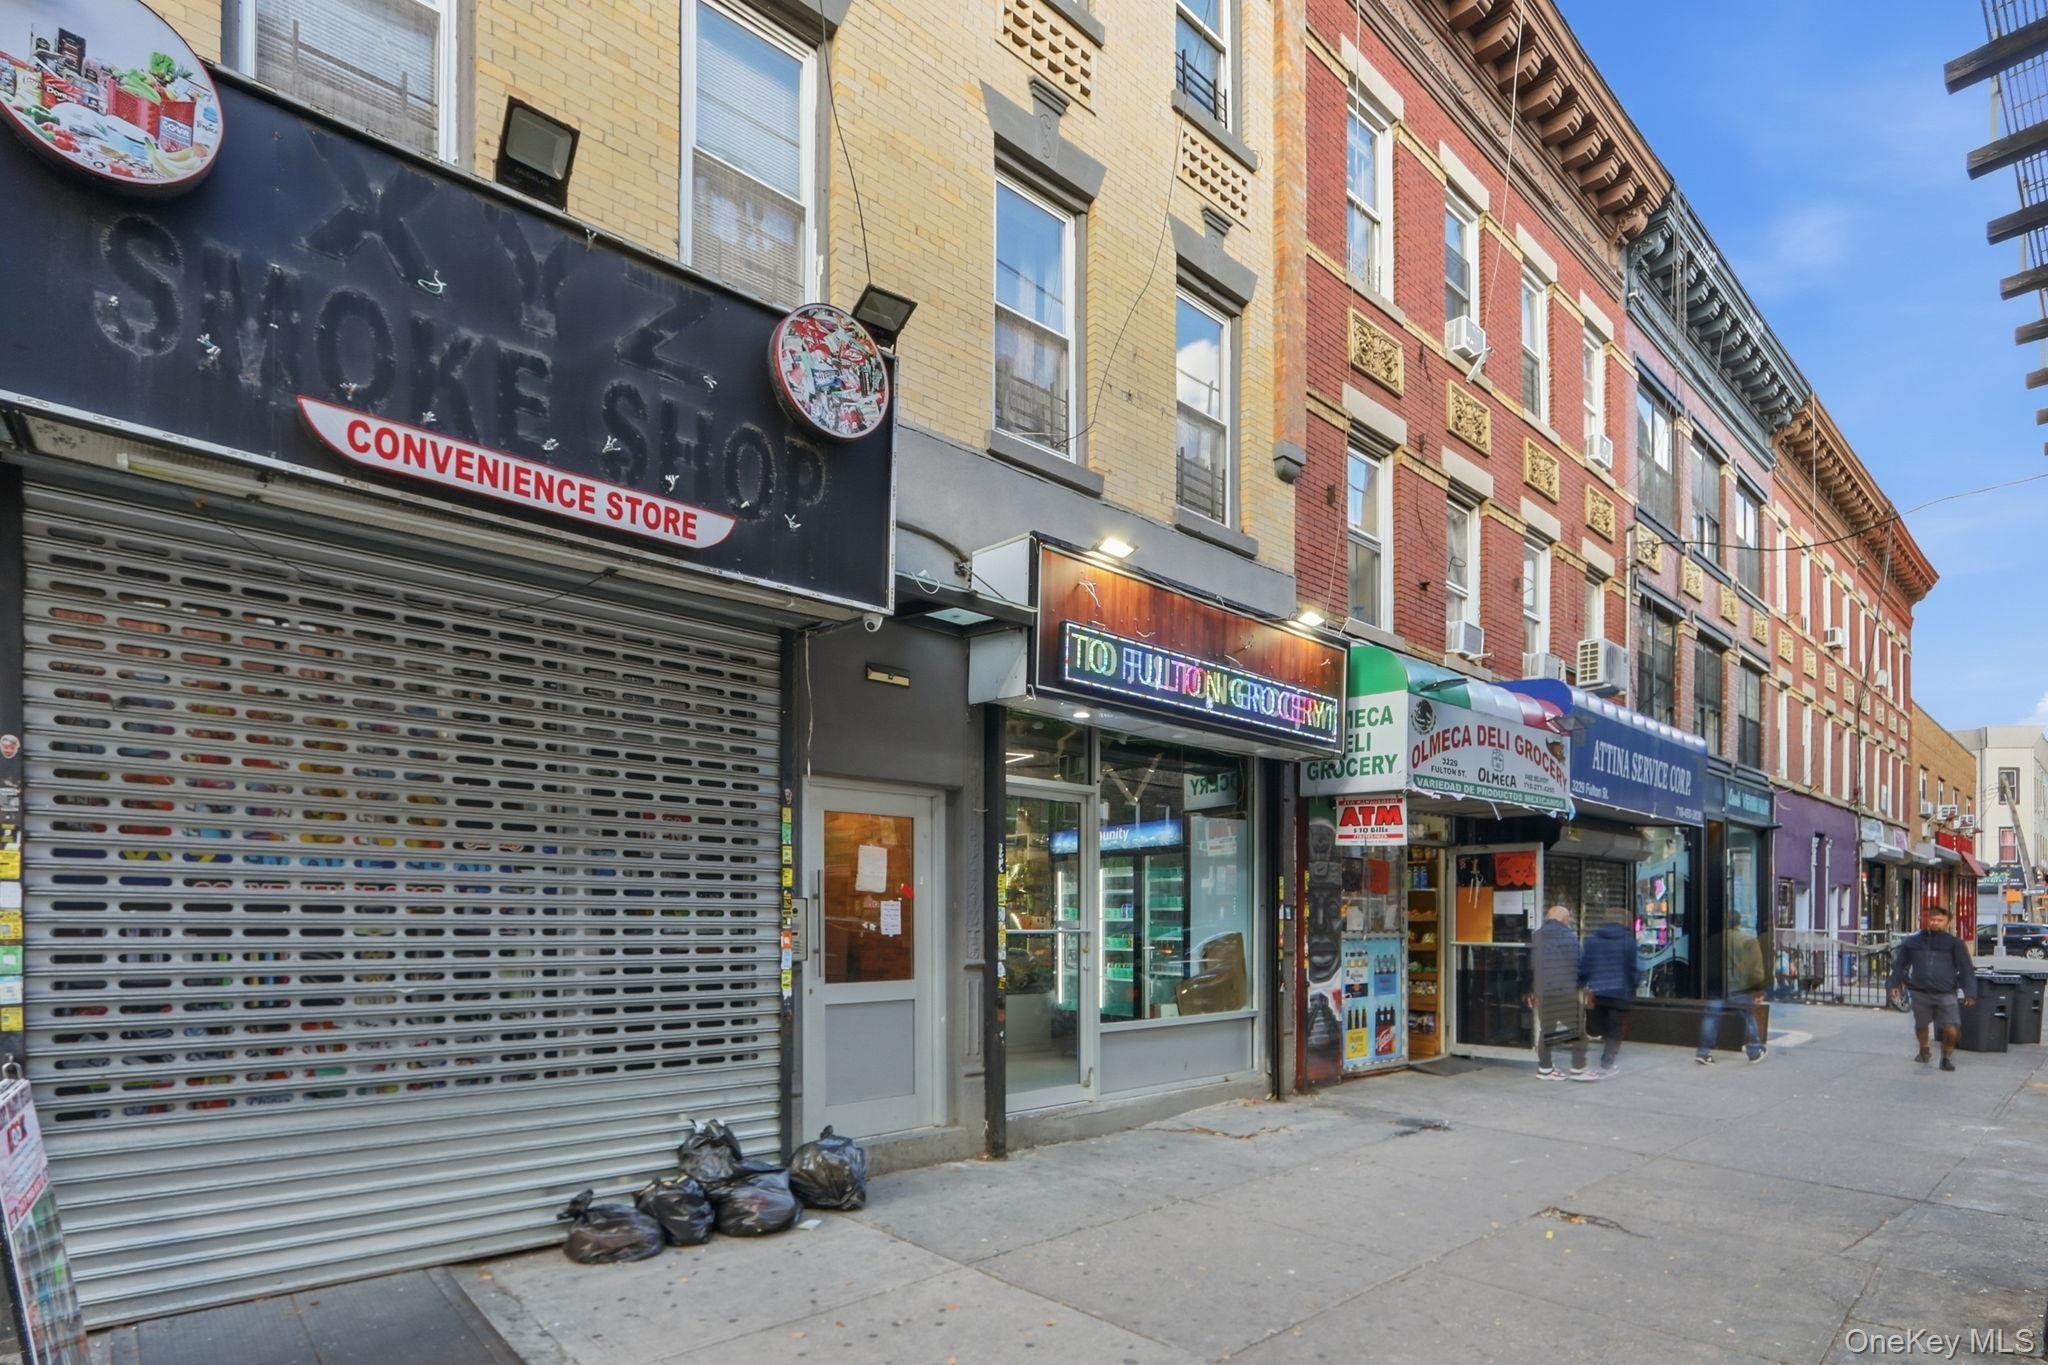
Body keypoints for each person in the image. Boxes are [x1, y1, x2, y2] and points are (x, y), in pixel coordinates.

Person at [1886, 905, 1976, 1071]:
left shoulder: (1955, 944)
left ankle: (1946, 1057)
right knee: (1921, 1026)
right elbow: (1899, 966)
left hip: (1946, 993)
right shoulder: (1912, 942)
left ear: (1947, 922)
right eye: (1932, 919)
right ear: (1926, 919)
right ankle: (1924, 1049)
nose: (1935, 922)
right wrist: (1893, 984)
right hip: (1920, 992)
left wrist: (1970, 992)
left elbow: (1966, 969)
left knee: (1952, 1029)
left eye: (1940, 920)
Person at [1524, 904, 1589, 1080]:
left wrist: (1530, 989)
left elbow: (1528, 966)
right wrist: (1581, 987)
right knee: (1578, 1031)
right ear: (1565, 920)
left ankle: (1545, 1069)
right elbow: (1580, 965)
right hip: (1565, 992)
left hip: (1543, 992)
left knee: (1546, 1030)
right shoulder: (1569, 937)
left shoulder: (1536, 936)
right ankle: (1578, 1069)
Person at [1697, 917, 1768, 1065]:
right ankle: (1754, 1051)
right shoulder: (1749, 941)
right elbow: (1756, 970)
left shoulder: (1714, 939)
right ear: (1739, 922)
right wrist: (1758, 990)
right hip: (1738, 987)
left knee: (1711, 1018)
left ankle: (1703, 1052)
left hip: (1717, 986)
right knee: (1748, 1018)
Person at [1579, 917, 1641, 1076]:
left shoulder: (1592, 941)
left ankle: (1603, 1054)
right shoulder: (1629, 942)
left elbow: (1585, 967)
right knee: (1615, 1028)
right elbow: (1633, 968)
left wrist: (1581, 983)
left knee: (1604, 1025)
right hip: (1620, 992)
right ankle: (1607, 1062)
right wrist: (1634, 985)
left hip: (1598, 991)